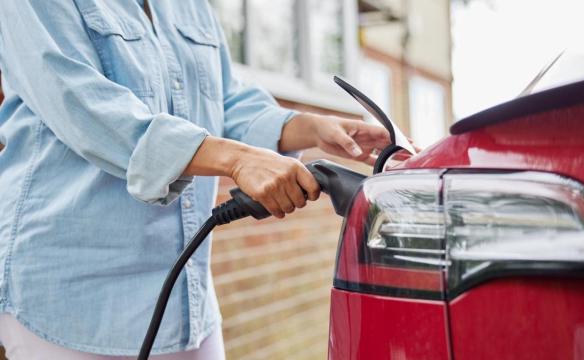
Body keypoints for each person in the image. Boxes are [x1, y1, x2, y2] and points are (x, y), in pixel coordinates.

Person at [0, 0, 390, 359]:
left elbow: (223, 99)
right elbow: (83, 106)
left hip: (186, 299)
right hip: (72, 299)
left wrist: (308, 127)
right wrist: (236, 159)